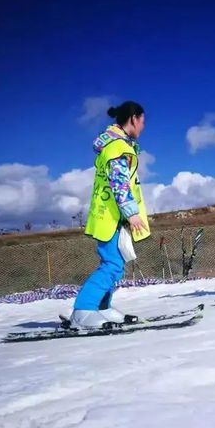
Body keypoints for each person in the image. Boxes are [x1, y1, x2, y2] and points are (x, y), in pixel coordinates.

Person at [71, 101, 151, 329]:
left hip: (111, 216)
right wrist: (131, 212)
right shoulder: (117, 147)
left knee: (115, 263)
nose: (143, 126)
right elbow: (119, 183)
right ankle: (84, 310)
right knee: (112, 264)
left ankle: (102, 309)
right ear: (134, 118)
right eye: (143, 121)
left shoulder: (118, 145)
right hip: (111, 216)